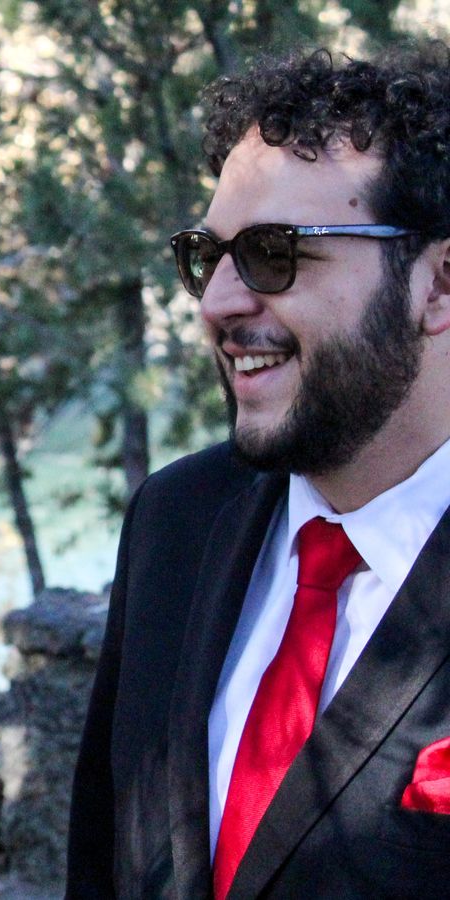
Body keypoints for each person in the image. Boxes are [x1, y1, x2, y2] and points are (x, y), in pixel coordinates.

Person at [67, 43, 450, 900]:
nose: (217, 304)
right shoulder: (175, 518)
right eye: (208, 258)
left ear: (438, 283)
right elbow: (102, 858)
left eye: (276, 253)